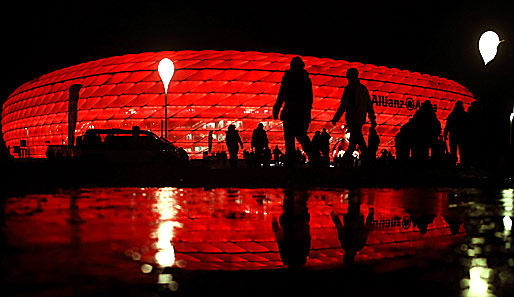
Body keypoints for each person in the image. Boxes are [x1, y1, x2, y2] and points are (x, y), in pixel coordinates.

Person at [273, 57, 318, 167]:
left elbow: (282, 93)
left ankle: (292, 160)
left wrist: (277, 108)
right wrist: (307, 114)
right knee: (300, 135)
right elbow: (309, 99)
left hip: (290, 112)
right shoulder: (306, 79)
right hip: (301, 112)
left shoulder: (289, 77)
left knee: (290, 137)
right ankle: (314, 157)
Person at [331, 68, 377, 164]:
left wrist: (336, 117)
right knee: (357, 139)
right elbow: (369, 105)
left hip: (352, 118)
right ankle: (367, 159)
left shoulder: (349, 88)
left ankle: (348, 159)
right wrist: (372, 118)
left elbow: (344, 104)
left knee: (356, 140)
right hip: (360, 118)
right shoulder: (363, 89)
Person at [331, 191, 374, 265]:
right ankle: (354, 193)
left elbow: (365, 230)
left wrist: (370, 215)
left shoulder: (359, 246)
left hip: (355, 219)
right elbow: (340, 230)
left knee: (354, 203)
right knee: (353, 203)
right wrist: (335, 218)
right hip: (351, 219)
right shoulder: (346, 245)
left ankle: (355, 194)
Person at [272, 189, 311, 269]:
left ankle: (295, 194)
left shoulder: (300, 255)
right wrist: (276, 228)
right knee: (293, 205)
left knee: (297, 205)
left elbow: (307, 236)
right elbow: (281, 241)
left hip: (294, 223)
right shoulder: (287, 256)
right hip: (291, 224)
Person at [444, 101, 468, 165]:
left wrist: (445, 134)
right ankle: (462, 162)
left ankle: (453, 162)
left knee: (454, 149)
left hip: (454, 135)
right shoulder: (464, 115)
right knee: (462, 150)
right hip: (461, 135)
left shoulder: (452, 114)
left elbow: (448, 125)